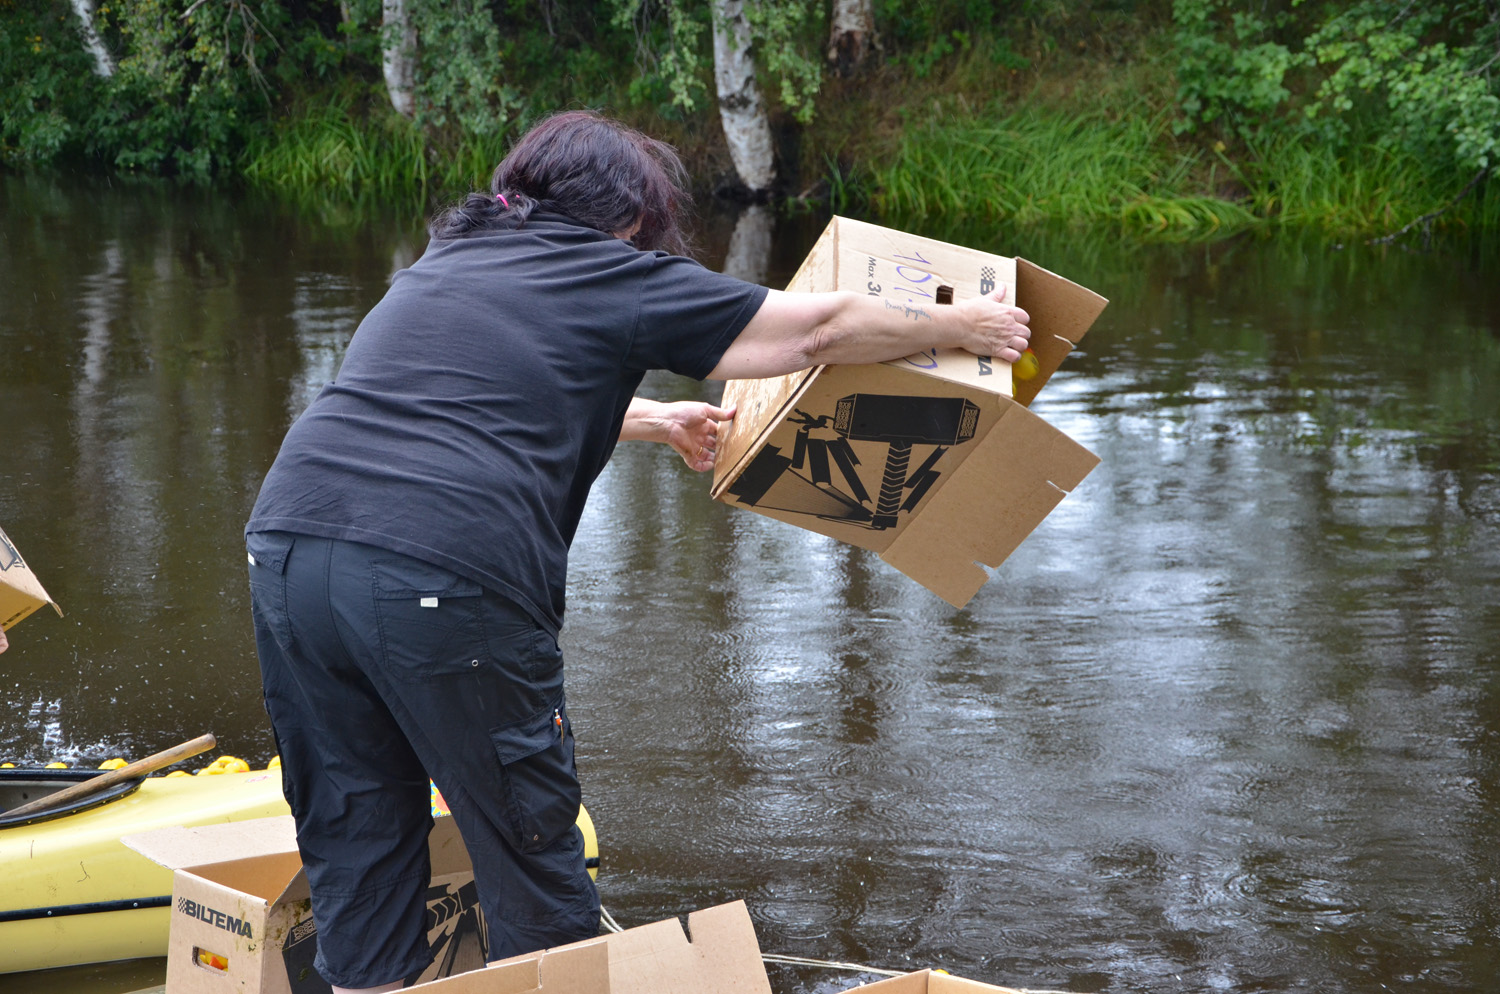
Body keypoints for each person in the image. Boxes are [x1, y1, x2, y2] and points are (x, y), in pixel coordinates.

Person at [245, 110, 1030, 994]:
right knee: (530, 848)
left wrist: (656, 421)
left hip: (287, 549)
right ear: (626, 215)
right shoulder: (611, 269)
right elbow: (814, 331)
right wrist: (959, 326)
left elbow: (489, 394)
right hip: (440, 570)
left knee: (354, 829)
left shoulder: (448, 259)